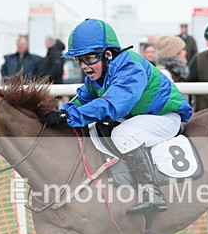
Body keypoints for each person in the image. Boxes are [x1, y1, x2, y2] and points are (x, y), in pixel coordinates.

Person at [38, 18, 192, 215]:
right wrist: (62, 112)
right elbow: (82, 99)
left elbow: (113, 105)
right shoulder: (98, 75)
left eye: (89, 58)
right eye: (80, 60)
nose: (84, 66)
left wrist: (69, 116)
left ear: (108, 55)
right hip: (138, 118)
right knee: (97, 130)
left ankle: (153, 195)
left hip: (165, 117)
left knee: (121, 134)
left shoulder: (131, 66)